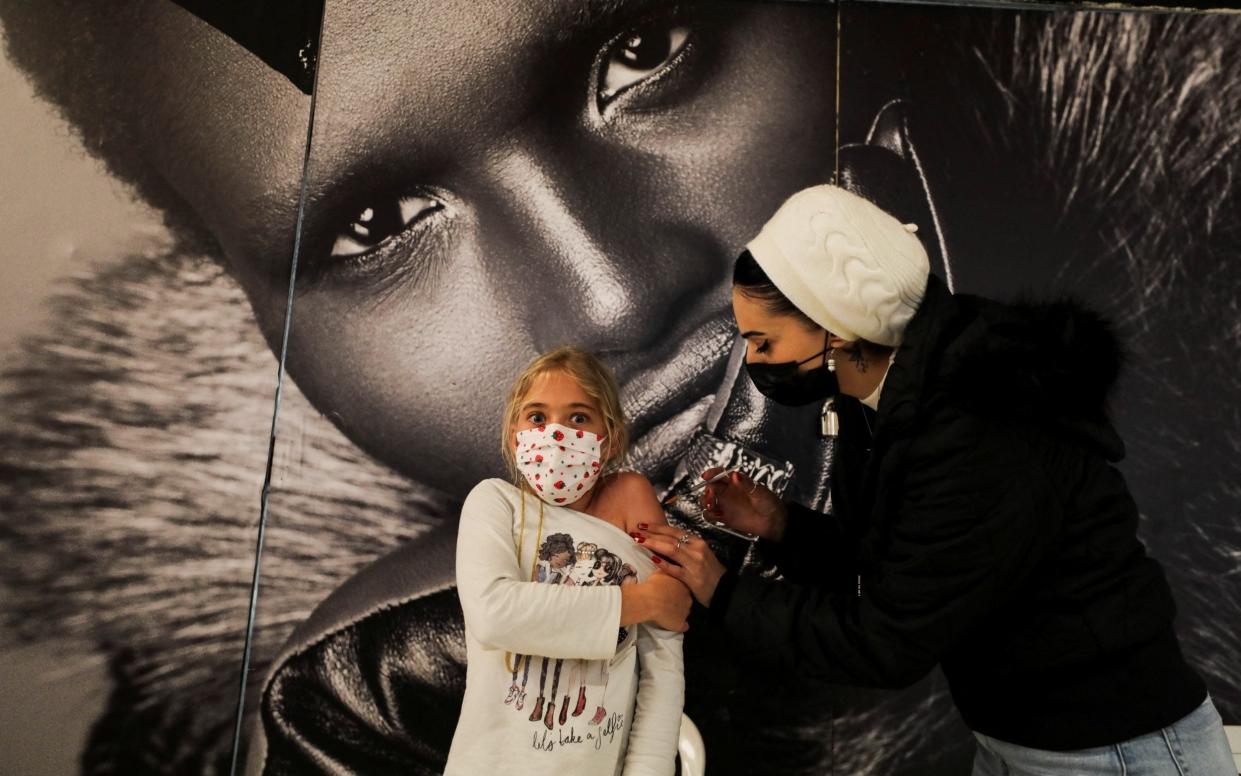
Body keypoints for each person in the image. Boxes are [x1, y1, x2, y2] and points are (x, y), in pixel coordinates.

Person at [1, 2, 1239, 775]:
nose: (601, 295)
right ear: (250, 319)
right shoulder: (300, 716)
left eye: (639, 52)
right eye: (375, 224)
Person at [636, 184, 1237, 775]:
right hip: (1021, 737)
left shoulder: (977, 425)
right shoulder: (881, 395)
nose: (756, 363)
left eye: (765, 343)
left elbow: (888, 640)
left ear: (835, 324)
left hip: (1113, 749)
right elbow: (898, 564)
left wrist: (725, 591)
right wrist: (782, 525)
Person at [444, 346, 687, 775]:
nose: (556, 434)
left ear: (608, 437)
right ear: (515, 434)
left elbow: (661, 673)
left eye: (578, 418)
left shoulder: (632, 501)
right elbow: (497, 615)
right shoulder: (494, 503)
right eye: (537, 417)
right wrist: (644, 602)